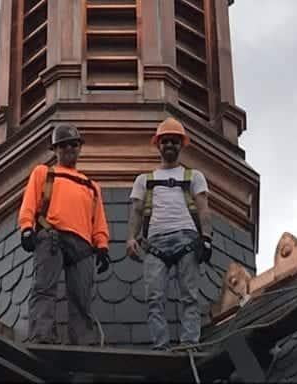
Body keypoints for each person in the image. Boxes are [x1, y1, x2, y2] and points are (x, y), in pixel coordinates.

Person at [19, 123, 110, 345]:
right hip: (52, 237)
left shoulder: (91, 186)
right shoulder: (44, 173)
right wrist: (26, 227)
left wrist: (102, 246)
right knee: (44, 288)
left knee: (81, 298)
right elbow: (29, 201)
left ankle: (83, 342)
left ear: (79, 148)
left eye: (73, 144)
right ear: (55, 150)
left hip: (82, 246)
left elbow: (98, 220)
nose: (69, 149)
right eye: (63, 145)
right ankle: (42, 335)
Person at [126, 117, 212, 351]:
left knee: (189, 296)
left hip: (187, 238)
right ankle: (161, 345)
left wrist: (206, 238)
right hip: (155, 243)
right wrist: (131, 238)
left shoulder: (193, 176)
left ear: (181, 144)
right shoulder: (145, 180)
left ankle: (189, 343)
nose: (170, 145)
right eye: (165, 141)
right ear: (158, 145)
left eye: (174, 141)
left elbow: (203, 209)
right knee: (155, 298)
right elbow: (136, 210)